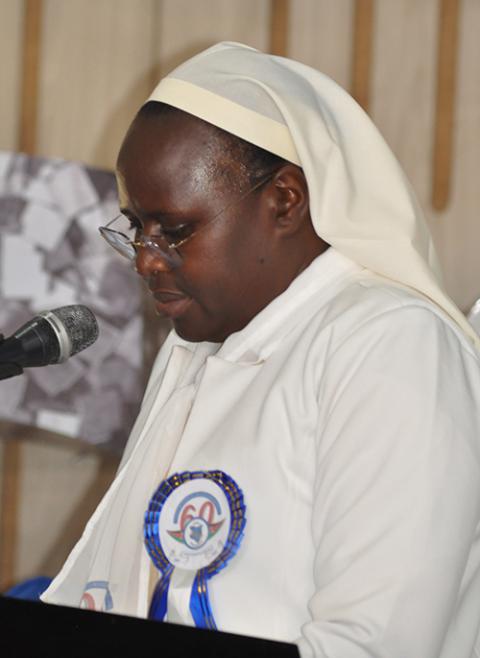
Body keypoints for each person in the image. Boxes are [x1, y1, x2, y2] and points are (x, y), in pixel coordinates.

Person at [41, 42, 480, 658]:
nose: (144, 257)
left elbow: (375, 643)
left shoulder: (390, 343)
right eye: (136, 226)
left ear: (285, 201)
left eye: (174, 229)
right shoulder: (196, 345)